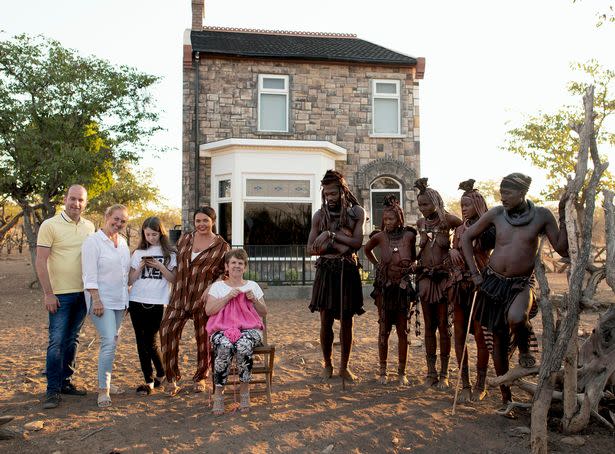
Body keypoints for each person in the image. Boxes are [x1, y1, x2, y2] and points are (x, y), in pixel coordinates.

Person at [461, 173, 568, 413]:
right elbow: (466, 237)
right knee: (497, 340)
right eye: (501, 192)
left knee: (517, 317)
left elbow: (561, 248)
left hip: (522, 283)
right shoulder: (497, 213)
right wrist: (475, 274)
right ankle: (505, 397)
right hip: (492, 282)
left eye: (507, 193)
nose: (503, 197)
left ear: (522, 193)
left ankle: (525, 349)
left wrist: (564, 214)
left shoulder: (541, 215)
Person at [35, 185, 95, 409]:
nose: (76, 204)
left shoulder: (89, 226)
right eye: (72, 199)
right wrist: (48, 293)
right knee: (57, 341)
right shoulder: (49, 225)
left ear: (85, 202)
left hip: (83, 294)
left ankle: (66, 382)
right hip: (59, 295)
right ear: (65, 199)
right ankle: (52, 390)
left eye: (80, 200)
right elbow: (41, 261)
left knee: (72, 340)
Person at [160, 206, 230, 396]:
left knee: (204, 339)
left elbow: (226, 273)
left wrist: (211, 287)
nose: (201, 224)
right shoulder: (185, 239)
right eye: (198, 221)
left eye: (205, 221)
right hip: (179, 296)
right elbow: (175, 263)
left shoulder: (222, 246)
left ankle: (201, 377)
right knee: (166, 331)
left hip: (203, 299)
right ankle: (171, 379)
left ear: (212, 222)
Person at [308, 169, 365, 382]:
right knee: (325, 321)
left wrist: (329, 235)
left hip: (347, 271)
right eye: (326, 194)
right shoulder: (319, 216)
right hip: (326, 271)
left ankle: (344, 366)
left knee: (347, 321)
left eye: (333, 193)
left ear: (342, 191)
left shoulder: (356, 212)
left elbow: (357, 243)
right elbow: (311, 248)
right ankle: (328, 364)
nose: (330, 198)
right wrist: (338, 244)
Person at [446, 179, 493, 402]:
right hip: (459, 286)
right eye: (461, 205)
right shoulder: (459, 229)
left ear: (477, 204)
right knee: (459, 335)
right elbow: (452, 252)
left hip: (479, 286)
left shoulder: (488, 226)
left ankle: (480, 383)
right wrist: (452, 253)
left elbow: (488, 250)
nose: (463, 208)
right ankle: (464, 383)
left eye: (467, 204)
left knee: (482, 335)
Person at [205, 249, 268, 415]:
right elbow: (209, 311)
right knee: (225, 346)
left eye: (240, 263)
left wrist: (254, 299)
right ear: (226, 266)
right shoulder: (217, 287)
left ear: (245, 267)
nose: (237, 266)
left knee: (243, 345)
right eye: (233, 262)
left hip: (250, 329)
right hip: (222, 328)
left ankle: (244, 392)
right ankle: (218, 394)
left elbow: (263, 312)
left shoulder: (252, 286)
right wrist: (226, 298)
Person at [414, 178, 462, 389]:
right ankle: (431, 371)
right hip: (425, 278)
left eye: (425, 204)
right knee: (429, 327)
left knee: (444, 326)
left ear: (435, 201)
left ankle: (444, 373)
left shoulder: (450, 221)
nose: (422, 209)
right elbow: (421, 251)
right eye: (419, 205)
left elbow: (465, 233)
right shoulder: (420, 224)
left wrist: (455, 250)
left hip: (444, 279)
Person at [82, 204, 131, 408]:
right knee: (109, 341)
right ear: (107, 216)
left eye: (123, 221)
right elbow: (89, 274)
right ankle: (103, 390)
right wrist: (96, 299)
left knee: (113, 341)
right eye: (116, 219)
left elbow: (125, 273)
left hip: (120, 300)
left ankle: (107, 382)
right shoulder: (93, 242)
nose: (118, 224)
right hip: (101, 300)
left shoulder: (123, 243)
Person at [364, 195, 417, 385]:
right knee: (384, 330)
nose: (387, 222)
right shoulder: (379, 237)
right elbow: (366, 250)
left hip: (403, 289)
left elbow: (415, 257)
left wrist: (411, 266)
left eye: (391, 219)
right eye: (385, 219)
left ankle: (402, 372)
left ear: (399, 219)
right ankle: (383, 371)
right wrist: (377, 265)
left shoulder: (409, 236)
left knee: (403, 331)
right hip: (384, 289)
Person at [128, 217, 177, 395]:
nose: (151, 238)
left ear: (161, 233)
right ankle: (149, 380)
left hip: (158, 302)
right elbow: (130, 280)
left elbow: (174, 279)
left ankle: (162, 372)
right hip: (136, 300)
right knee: (141, 342)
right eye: (147, 234)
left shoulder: (170, 253)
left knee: (151, 341)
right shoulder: (138, 252)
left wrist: (159, 266)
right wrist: (140, 267)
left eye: (154, 234)